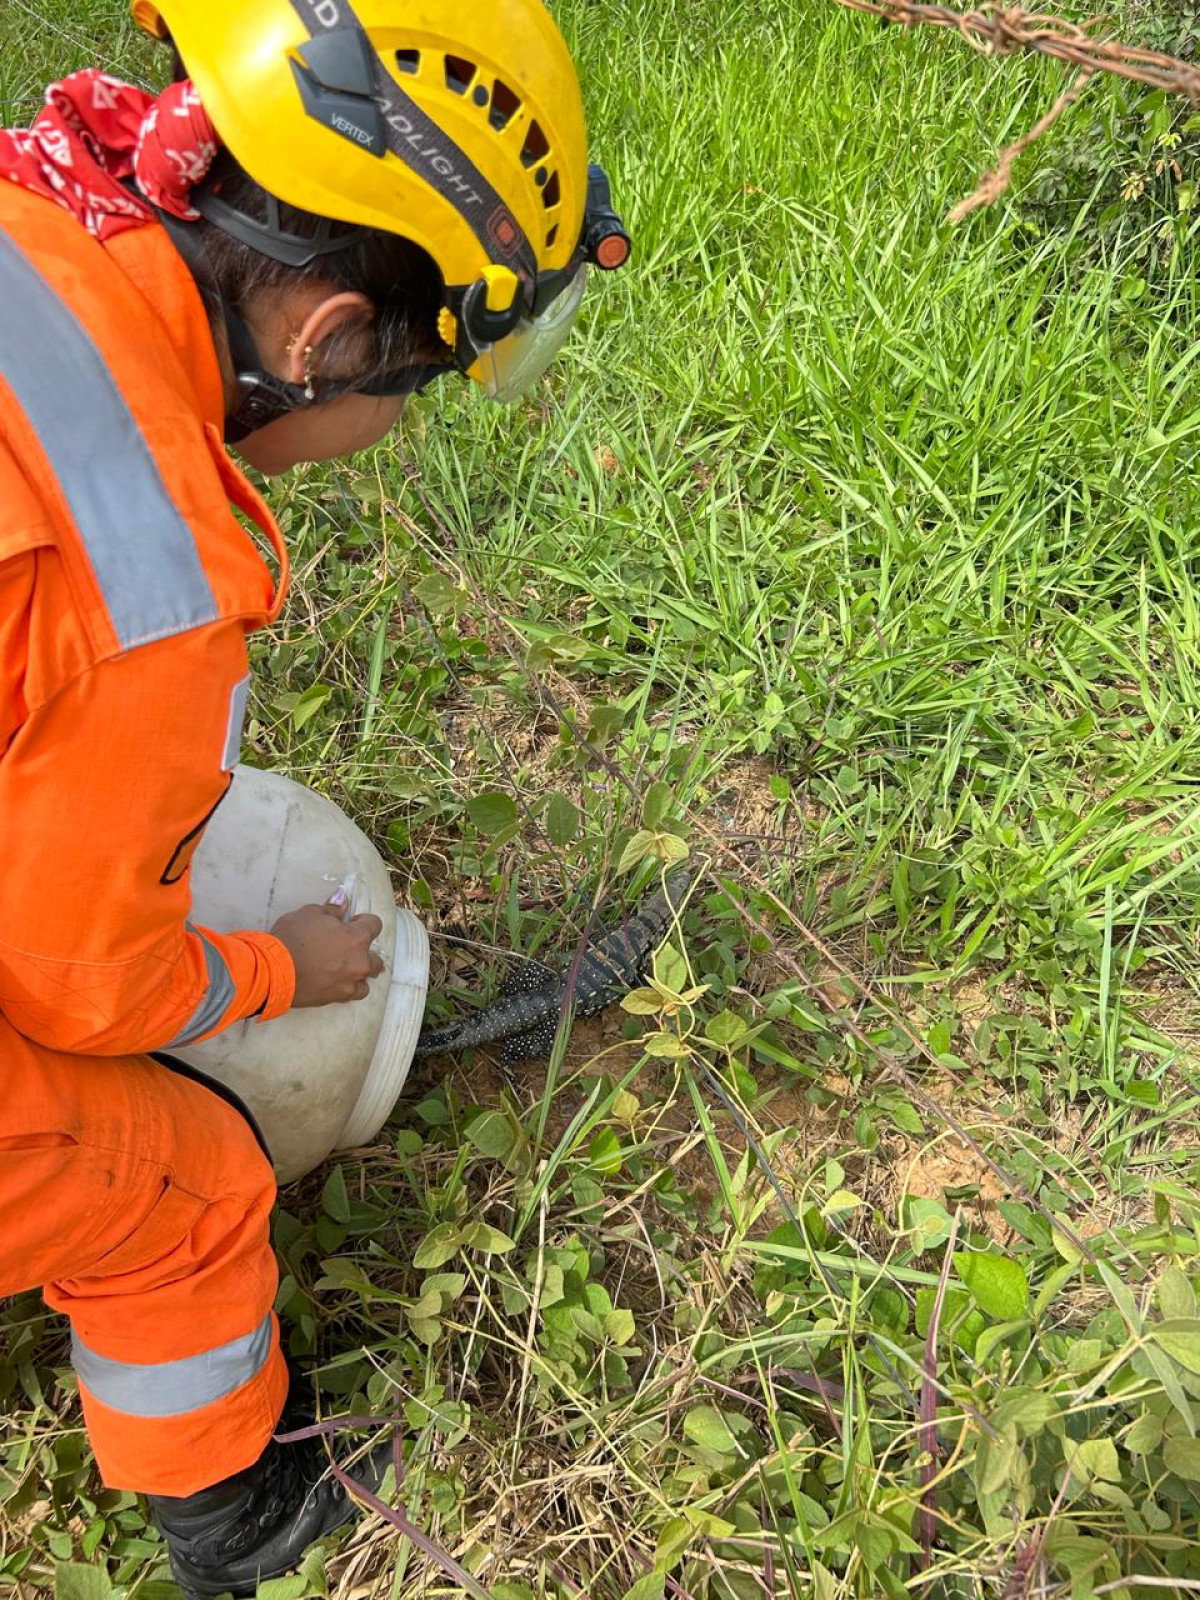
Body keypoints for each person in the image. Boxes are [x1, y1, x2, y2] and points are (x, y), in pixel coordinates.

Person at [0, 0, 629, 1593]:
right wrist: (281, 970)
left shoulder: (40, 215)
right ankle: (239, 1517)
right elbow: (83, 993)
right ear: (328, 338)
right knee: (183, 1180)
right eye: (410, 386)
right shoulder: (138, 581)